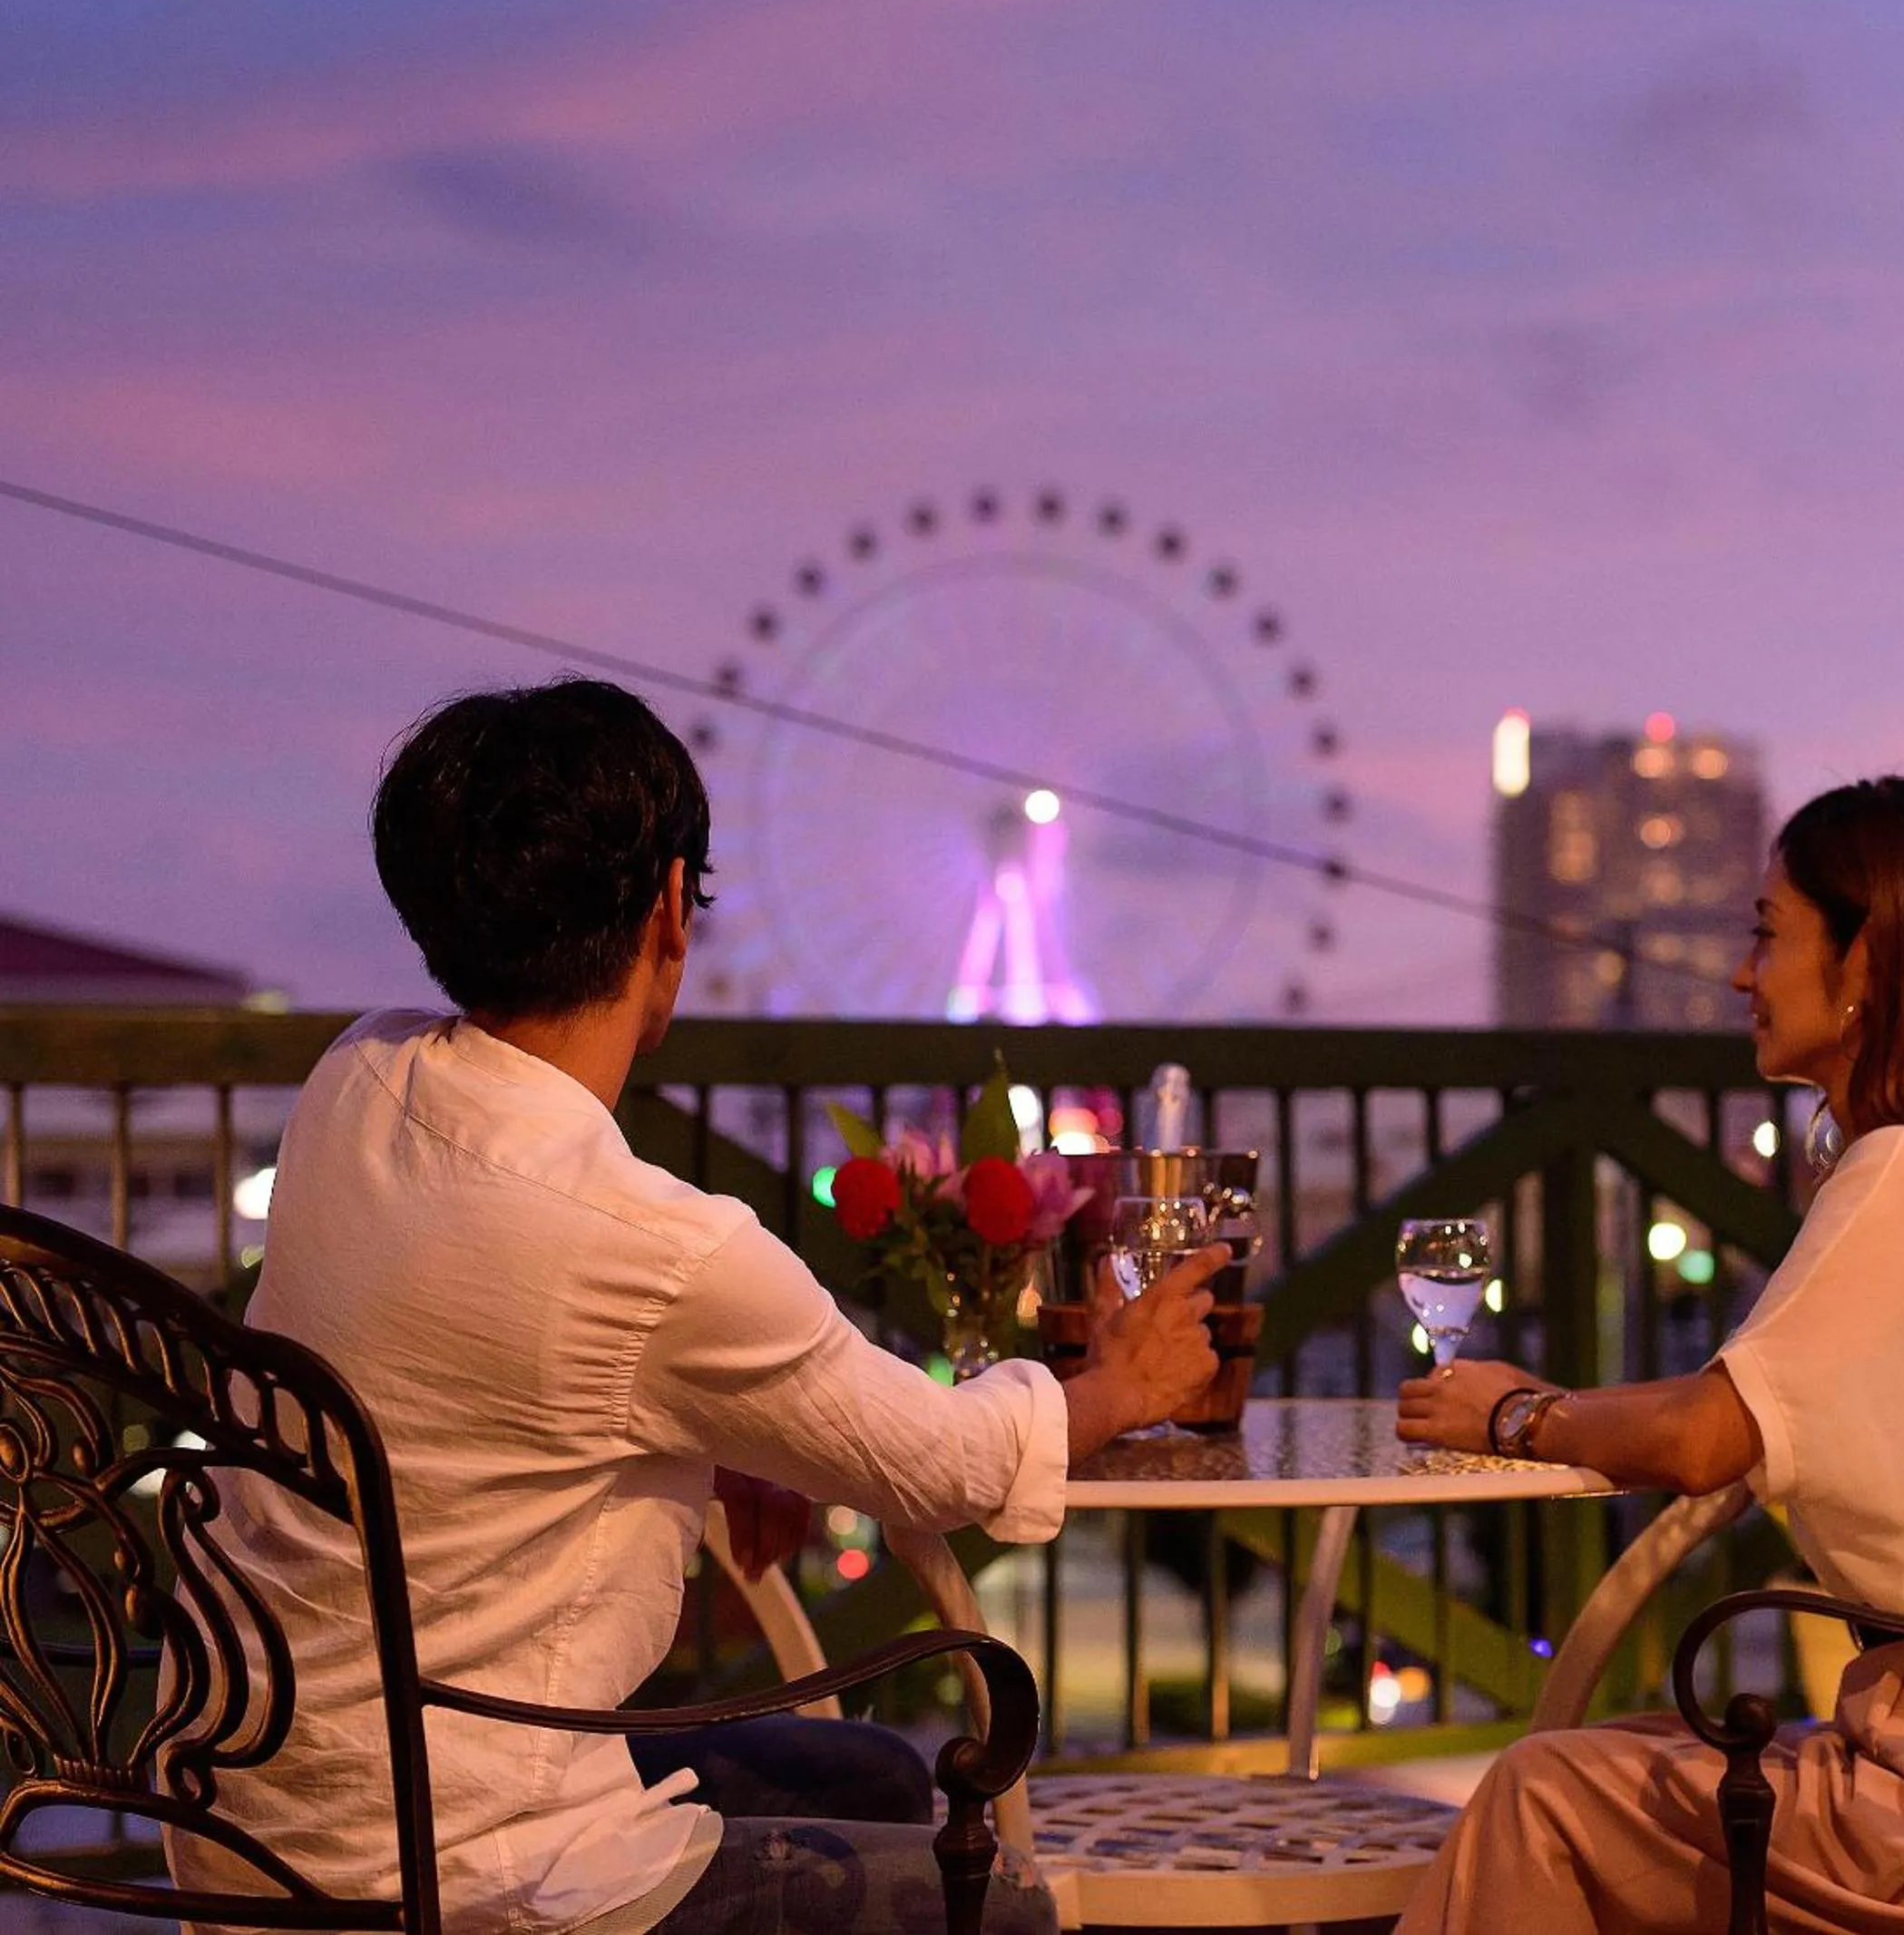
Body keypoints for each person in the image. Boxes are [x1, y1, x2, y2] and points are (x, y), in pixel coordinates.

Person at [171, 679, 1220, 1935]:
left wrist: (714, 1428)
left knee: (881, 1776)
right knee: (1004, 1913)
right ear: (670, 904)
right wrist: (1126, 1383)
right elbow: (944, 1464)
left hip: (253, 1811)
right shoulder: (655, 1246)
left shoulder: (355, 1081)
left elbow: (475, 1355)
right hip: (471, 1869)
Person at [1395, 777, 1904, 1935]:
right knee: (1607, 1769)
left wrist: (1516, 1418)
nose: (1741, 975)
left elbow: (1697, 1437)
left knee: (1543, 1798)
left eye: (1768, 934)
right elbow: (1755, 1409)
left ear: (1868, 958)